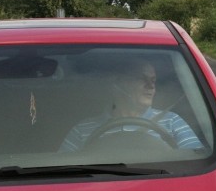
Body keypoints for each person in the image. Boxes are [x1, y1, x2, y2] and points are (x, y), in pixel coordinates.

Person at [60, 58, 203, 152]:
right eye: (142, 79)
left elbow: (197, 165)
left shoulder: (173, 121)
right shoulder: (82, 130)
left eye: (153, 80)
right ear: (117, 84)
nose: (151, 86)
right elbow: (62, 173)